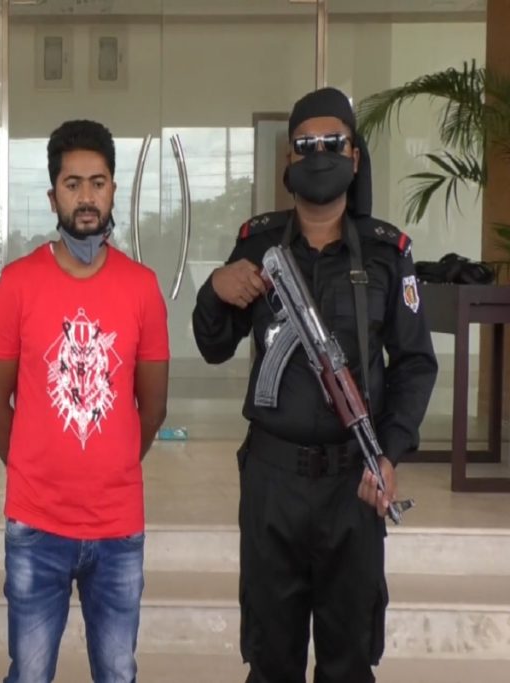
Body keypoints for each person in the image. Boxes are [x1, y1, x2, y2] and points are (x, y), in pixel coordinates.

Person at [192, 87, 438, 683]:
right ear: (288, 160)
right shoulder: (257, 243)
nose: (319, 154)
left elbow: (414, 364)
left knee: (348, 661)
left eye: (333, 143)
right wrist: (215, 290)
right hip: (272, 480)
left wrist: (388, 452)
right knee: (271, 660)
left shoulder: (386, 253)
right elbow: (214, 346)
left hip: (353, 482)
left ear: (354, 156)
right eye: (305, 145)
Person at [0, 119, 170, 683]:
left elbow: (153, 407)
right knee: (30, 674)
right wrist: (32, 467)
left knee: (117, 673)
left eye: (98, 183)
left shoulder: (142, 287)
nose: (86, 197)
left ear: (113, 190)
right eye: (72, 184)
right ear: (52, 196)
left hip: (118, 526)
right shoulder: (17, 284)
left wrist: (112, 466)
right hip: (36, 526)